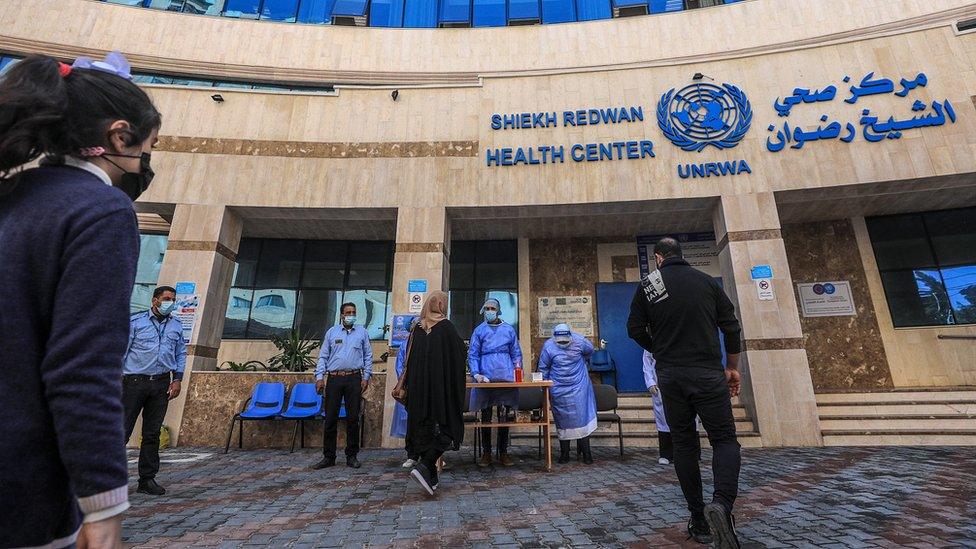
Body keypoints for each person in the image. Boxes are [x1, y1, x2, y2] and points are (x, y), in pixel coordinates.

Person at [0, 52, 161, 549]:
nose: (146, 164)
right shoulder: (100, 209)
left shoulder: (12, 196)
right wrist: (104, 503)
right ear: (118, 136)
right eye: (149, 149)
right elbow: (81, 368)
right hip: (21, 489)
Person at [627, 237, 743, 548]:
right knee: (724, 439)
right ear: (681, 255)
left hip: (671, 376)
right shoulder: (706, 282)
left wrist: (660, 350)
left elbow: (634, 329)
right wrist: (731, 367)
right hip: (707, 373)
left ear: (658, 258)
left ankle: (699, 518)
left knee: (684, 442)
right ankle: (722, 504)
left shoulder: (650, 284)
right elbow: (731, 328)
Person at [392, 291, 466, 496]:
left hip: (419, 393)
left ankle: (430, 478)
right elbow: (460, 355)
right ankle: (425, 465)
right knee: (448, 428)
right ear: (441, 305)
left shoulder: (417, 328)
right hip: (441, 392)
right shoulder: (447, 328)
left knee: (424, 430)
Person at [123, 286, 187, 496]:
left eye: (173, 299)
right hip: (133, 382)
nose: (170, 302)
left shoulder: (176, 326)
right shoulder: (136, 322)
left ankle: (147, 479)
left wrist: (177, 380)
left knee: (152, 433)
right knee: (121, 431)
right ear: (155, 301)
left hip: (161, 384)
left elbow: (180, 354)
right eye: (167, 299)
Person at [313, 302, 373, 469]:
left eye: (353, 312)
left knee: (353, 418)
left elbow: (368, 355)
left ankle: (351, 455)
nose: (351, 315)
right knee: (330, 418)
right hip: (334, 379)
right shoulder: (332, 333)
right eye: (348, 312)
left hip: (354, 379)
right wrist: (319, 378)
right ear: (341, 315)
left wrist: (366, 377)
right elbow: (323, 357)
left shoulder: (362, 332)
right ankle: (329, 456)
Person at [468, 297, 523, 468]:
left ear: (498, 310)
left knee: (504, 416)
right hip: (485, 376)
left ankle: (503, 452)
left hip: (505, 375)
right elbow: (473, 354)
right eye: (487, 308)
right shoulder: (479, 331)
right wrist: (476, 374)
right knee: (486, 416)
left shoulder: (508, 330)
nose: (489, 311)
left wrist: (517, 370)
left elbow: (516, 353)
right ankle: (486, 452)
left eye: (492, 308)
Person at [538, 323, 597, 465]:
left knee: (581, 417)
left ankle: (586, 453)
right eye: (561, 341)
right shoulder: (548, 346)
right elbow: (543, 367)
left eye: (566, 340)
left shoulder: (580, 341)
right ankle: (564, 453)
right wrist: (543, 387)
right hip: (558, 388)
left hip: (579, 386)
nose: (563, 343)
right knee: (563, 420)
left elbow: (590, 351)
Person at [390, 317, 419, 468]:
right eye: (415, 325)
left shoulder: (426, 343)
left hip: (423, 389)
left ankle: (429, 455)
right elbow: (400, 367)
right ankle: (412, 454)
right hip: (410, 389)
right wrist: (408, 383)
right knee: (410, 424)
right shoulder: (404, 345)